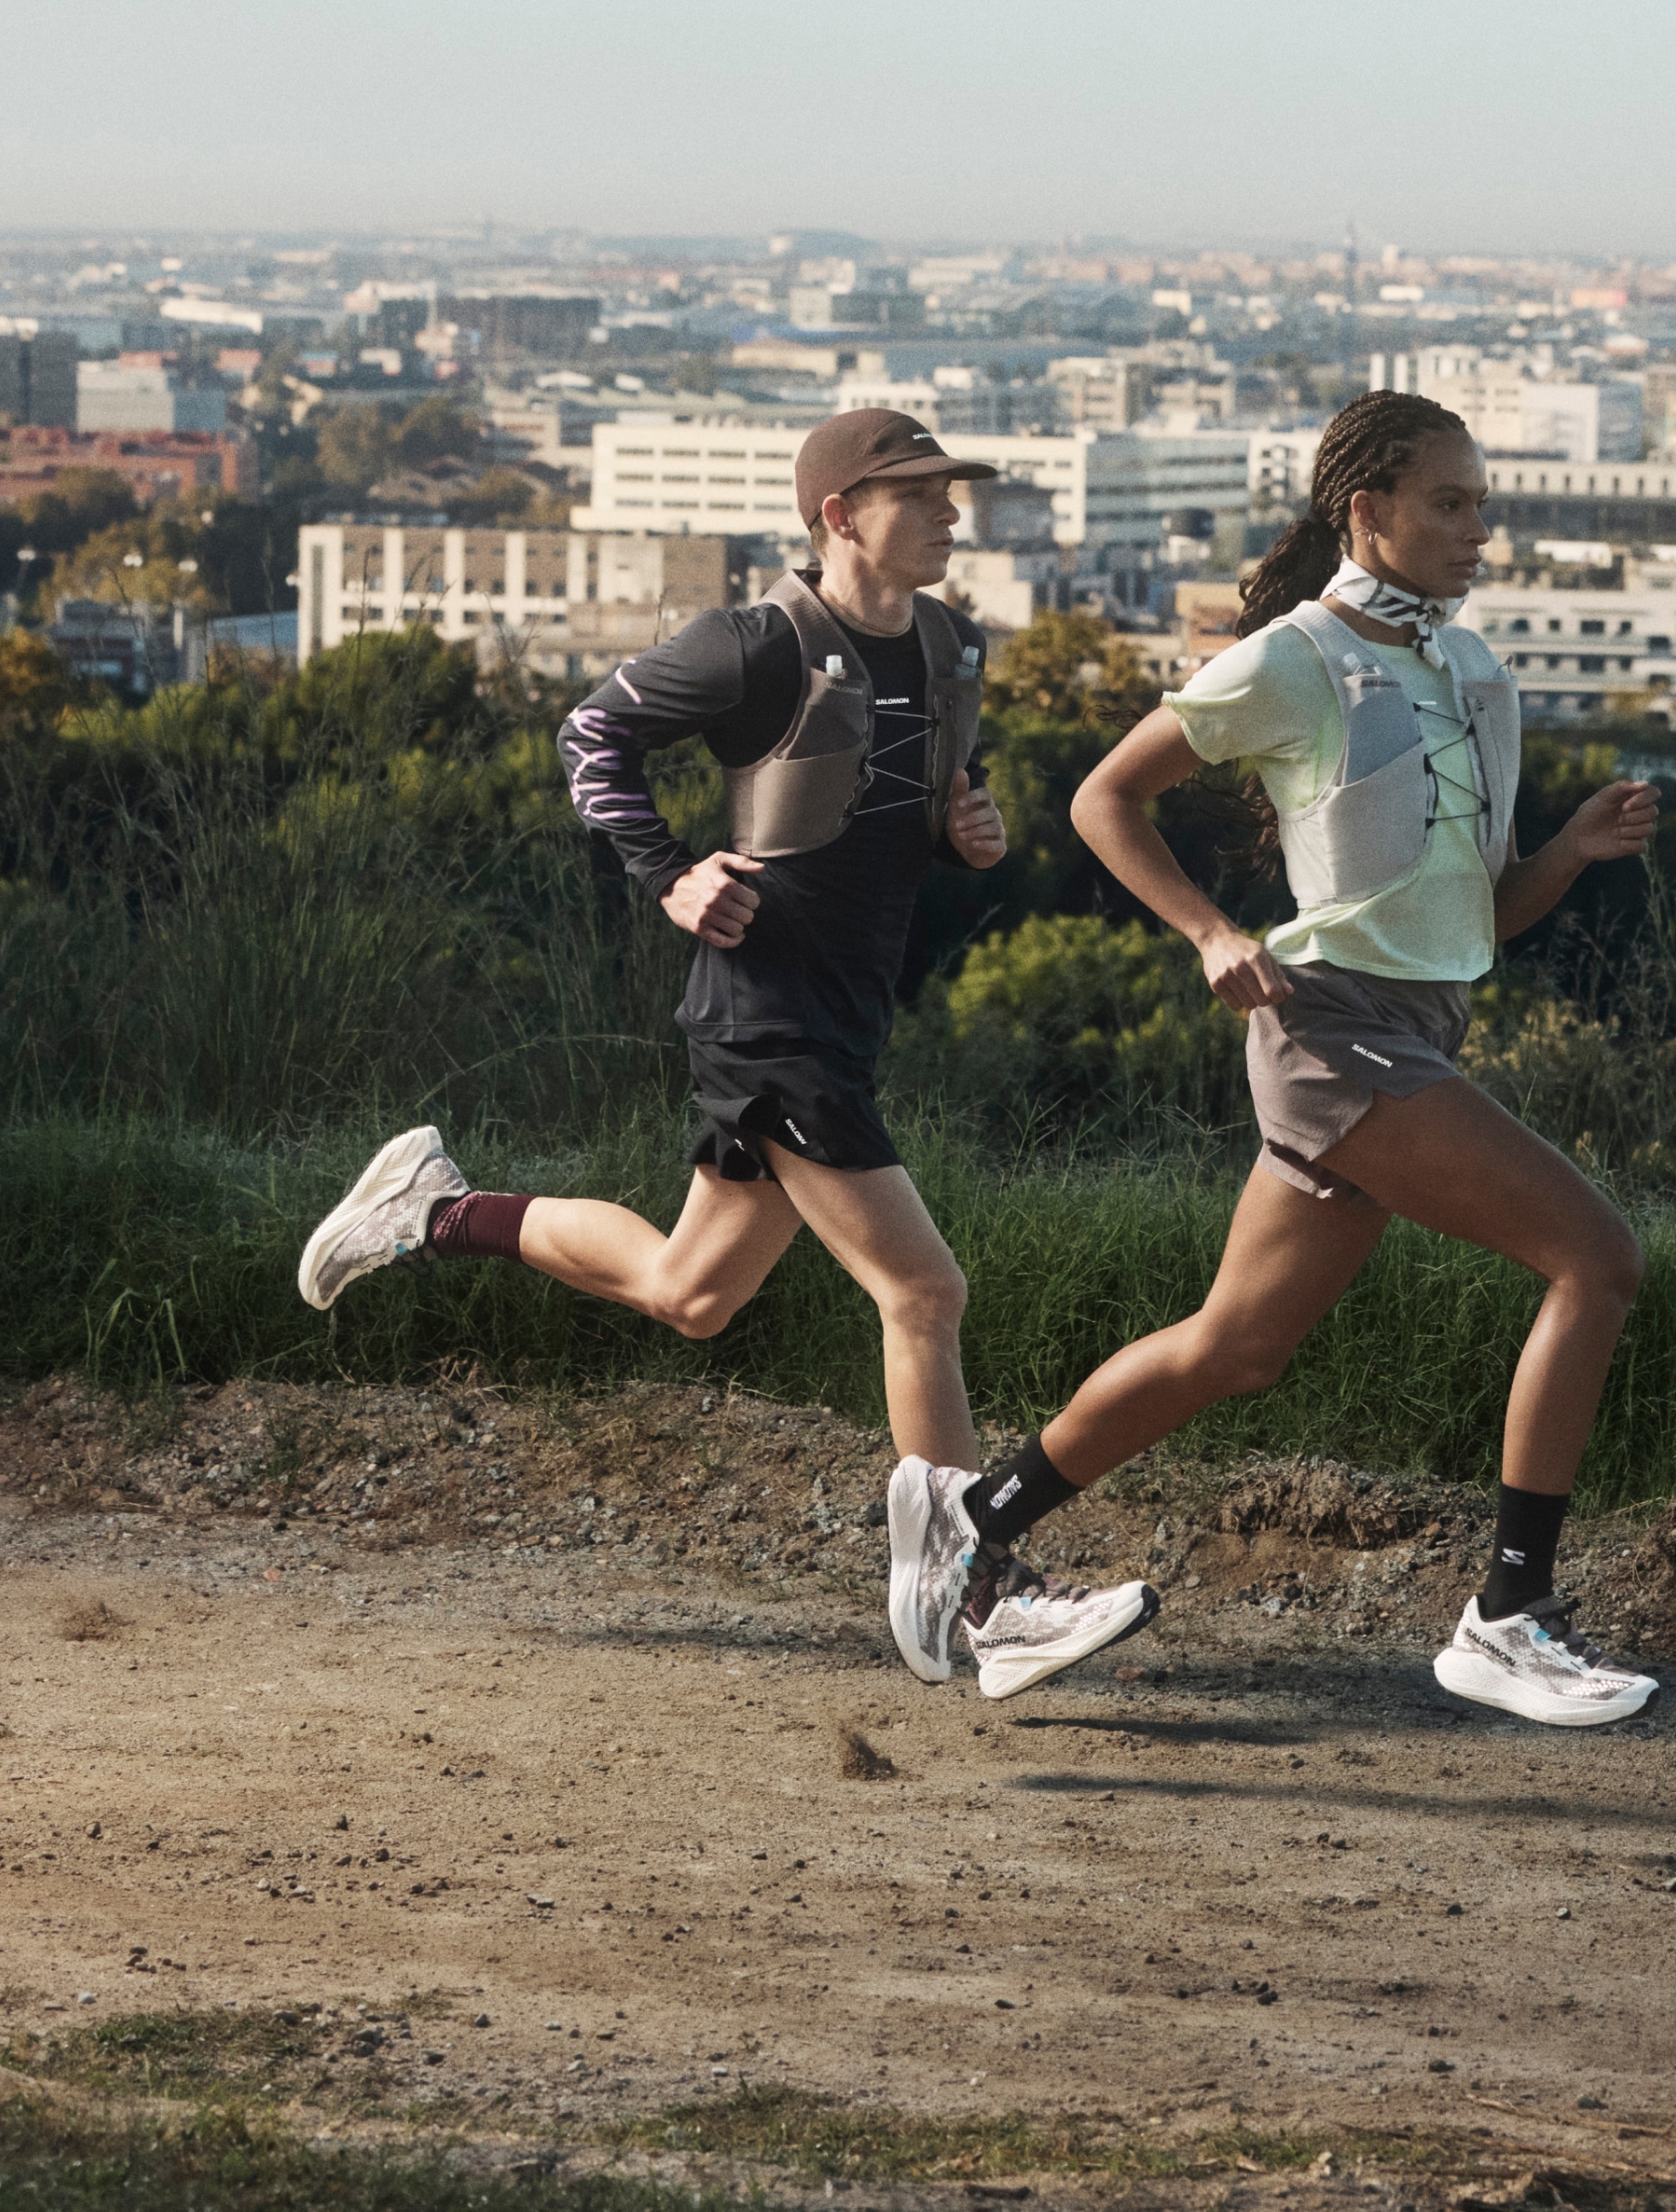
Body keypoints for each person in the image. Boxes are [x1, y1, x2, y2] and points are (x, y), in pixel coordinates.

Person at [293, 407, 1155, 1702]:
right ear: (839, 513)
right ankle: (976, 1593)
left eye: (950, 492)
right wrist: (669, 871)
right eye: (919, 494)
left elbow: (909, 811)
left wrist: (966, 825)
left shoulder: (950, 646)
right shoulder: (753, 647)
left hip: (841, 1013)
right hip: (766, 1014)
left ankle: (436, 1207)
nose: (952, 513)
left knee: (692, 1292)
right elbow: (593, 740)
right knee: (925, 1293)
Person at [885, 389, 1666, 1727]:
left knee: (1235, 1347)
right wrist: (1203, 931)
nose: (1481, 530)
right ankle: (1509, 1612)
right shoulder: (1292, 661)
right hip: (1329, 1034)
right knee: (1595, 1259)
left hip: (1414, 1023)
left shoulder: (1476, 676)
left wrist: (1570, 857)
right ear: (1368, 512)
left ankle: (970, 1530)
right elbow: (1100, 797)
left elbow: (1478, 919)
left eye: (1484, 504)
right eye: (1452, 503)